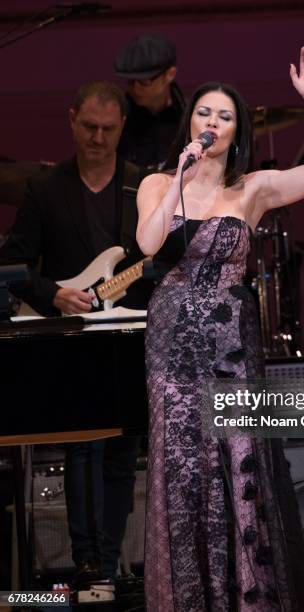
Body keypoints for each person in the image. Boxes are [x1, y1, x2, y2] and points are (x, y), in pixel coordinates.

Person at [136, 44, 304, 611]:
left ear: (237, 129)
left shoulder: (251, 190)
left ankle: (247, 598)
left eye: (224, 116)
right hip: (172, 344)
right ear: (190, 121)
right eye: (205, 113)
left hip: (231, 345)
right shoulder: (158, 183)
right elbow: (149, 245)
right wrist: (179, 177)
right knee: (184, 464)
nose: (212, 123)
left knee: (237, 457)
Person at [0, 81, 149, 586]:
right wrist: (53, 294)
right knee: (82, 446)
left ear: (122, 127)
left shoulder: (139, 185)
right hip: (72, 336)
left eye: (108, 129)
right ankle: (88, 564)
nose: (98, 137)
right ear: (71, 121)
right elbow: (13, 263)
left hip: (127, 335)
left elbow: (154, 259)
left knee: (124, 449)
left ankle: (108, 565)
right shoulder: (46, 190)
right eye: (89, 127)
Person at [114, 33, 185, 170]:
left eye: (145, 81)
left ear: (170, 74)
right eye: (130, 81)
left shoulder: (190, 115)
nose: (135, 88)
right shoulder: (117, 116)